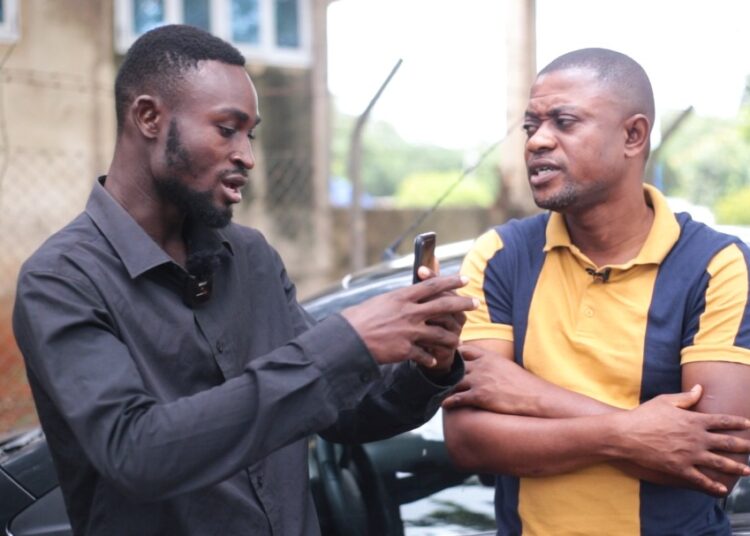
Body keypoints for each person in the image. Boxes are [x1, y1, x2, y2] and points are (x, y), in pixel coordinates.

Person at [12, 25, 477, 536]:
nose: (247, 157)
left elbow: (342, 412)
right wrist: (347, 342)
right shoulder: (61, 280)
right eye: (226, 129)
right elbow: (137, 452)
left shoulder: (250, 257)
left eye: (249, 134)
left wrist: (426, 365)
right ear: (148, 117)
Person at [442, 47, 750, 535]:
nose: (538, 141)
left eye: (563, 122)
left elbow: (713, 461)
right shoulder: (501, 256)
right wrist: (629, 432)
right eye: (530, 126)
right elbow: (468, 442)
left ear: (633, 135)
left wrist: (529, 395)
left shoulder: (715, 265)